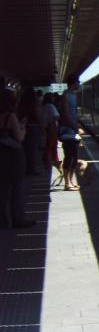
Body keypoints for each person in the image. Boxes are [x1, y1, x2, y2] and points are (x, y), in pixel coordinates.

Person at [0, 89, 35, 228]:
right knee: (17, 187)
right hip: (14, 155)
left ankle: (2, 220)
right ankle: (18, 219)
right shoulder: (11, 116)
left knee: (2, 188)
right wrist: (23, 127)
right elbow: (19, 137)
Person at [59, 76, 84, 191]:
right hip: (67, 131)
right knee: (69, 157)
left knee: (74, 157)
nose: (79, 84)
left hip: (73, 131)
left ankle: (72, 180)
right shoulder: (65, 96)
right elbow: (66, 115)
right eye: (78, 82)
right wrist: (76, 128)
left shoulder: (73, 95)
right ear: (73, 83)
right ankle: (67, 183)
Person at [18, 86, 42, 175]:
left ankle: (24, 169)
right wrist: (43, 128)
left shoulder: (21, 104)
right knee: (32, 151)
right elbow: (38, 116)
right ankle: (31, 170)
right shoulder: (34, 104)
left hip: (23, 128)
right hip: (34, 128)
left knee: (25, 151)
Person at [40, 92, 61, 172]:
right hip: (51, 127)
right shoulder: (51, 106)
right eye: (52, 97)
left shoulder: (44, 106)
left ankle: (49, 160)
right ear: (50, 98)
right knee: (51, 144)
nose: (54, 98)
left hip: (46, 127)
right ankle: (49, 161)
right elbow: (56, 116)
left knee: (49, 145)